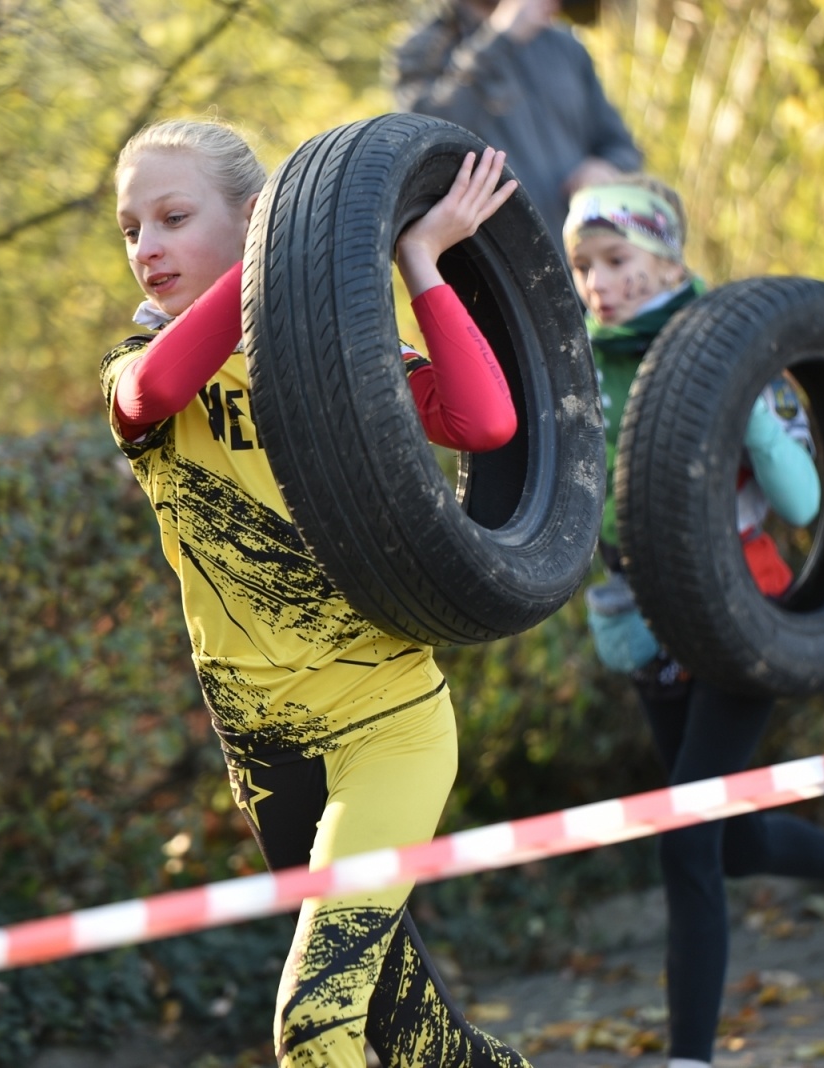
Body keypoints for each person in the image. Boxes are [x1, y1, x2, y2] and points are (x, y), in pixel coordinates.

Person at [100, 118, 531, 1068]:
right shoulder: (134, 372)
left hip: (389, 725)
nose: (148, 248)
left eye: (174, 217)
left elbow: (485, 421)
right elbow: (152, 394)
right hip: (264, 748)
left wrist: (419, 260)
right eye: (132, 229)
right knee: (417, 1039)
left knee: (316, 1022)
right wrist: (272, 260)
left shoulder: (333, 359)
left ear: (253, 216)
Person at [565, 177, 824, 1068]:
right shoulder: (580, 360)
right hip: (642, 618)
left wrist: (743, 412)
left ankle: (690, 1057)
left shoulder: (734, 347)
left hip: (743, 613)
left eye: (618, 261)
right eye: (586, 266)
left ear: (669, 260)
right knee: (730, 839)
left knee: (687, 839)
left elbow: (806, 500)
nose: (600, 284)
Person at [390, 0, 643, 258]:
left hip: (586, 258)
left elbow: (621, 146)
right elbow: (427, 143)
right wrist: (499, 38)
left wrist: (605, 167)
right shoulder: (422, 48)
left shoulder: (565, 45)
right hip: (495, 267)